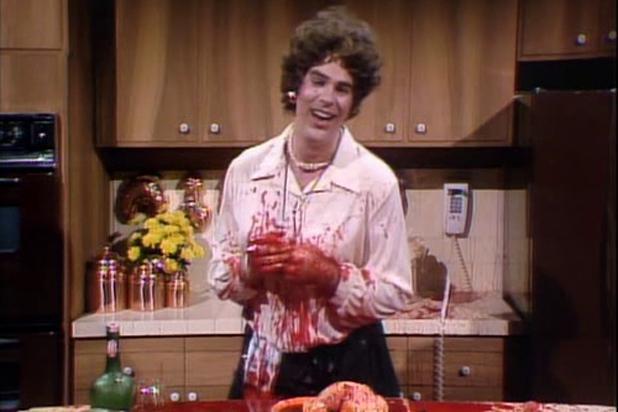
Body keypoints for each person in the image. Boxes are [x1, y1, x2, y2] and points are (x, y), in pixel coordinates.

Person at [208, 6, 414, 400]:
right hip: (266, 361)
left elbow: (395, 291)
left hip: (351, 362)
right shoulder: (247, 171)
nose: (327, 99)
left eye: (342, 88)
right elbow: (220, 274)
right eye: (318, 81)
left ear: (353, 102)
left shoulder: (375, 182)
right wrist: (250, 269)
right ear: (296, 87)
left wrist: (330, 275)